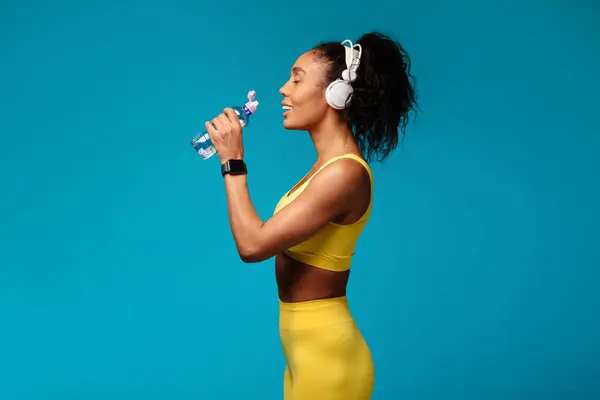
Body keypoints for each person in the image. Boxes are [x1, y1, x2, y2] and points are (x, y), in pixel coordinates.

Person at [204, 31, 417, 399]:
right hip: (305, 354)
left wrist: (232, 161)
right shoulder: (325, 168)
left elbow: (253, 245)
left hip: (329, 361)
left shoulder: (344, 174)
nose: (283, 90)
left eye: (297, 78)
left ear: (335, 93)